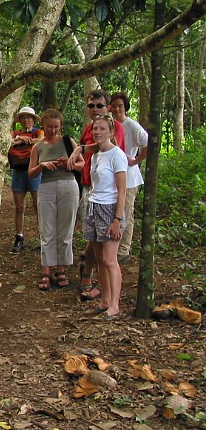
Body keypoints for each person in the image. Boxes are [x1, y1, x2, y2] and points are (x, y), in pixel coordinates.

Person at [67, 89, 126, 300]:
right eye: (91, 106)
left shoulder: (115, 131)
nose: (94, 109)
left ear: (108, 108)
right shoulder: (89, 131)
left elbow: (108, 149)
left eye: (99, 106)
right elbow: (94, 148)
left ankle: (110, 296)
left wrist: (117, 218)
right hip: (91, 193)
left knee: (108, 255)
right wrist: (80, 149)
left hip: (108, 200)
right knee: (96, 245)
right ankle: (101, 291)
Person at [27, 109, 83, 291]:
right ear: (43, 125)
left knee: (65, 229)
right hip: (46, 187)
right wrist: (42, 165)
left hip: (68, 185)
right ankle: (46, 269)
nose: (53, 130)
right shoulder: (38, 147)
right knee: (47, 229)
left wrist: (69, 163)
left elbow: (83, 164)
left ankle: (62, 268)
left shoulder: (68, 142)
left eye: (56, 127)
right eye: (50, 127)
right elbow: (30, 172)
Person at [83, 115, 127, 319]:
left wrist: (117, 220)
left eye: (102, 129)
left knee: (110, 259)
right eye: (95, 129)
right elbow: (87, 147)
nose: (97, 132)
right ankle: (105, 300)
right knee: (100, 258)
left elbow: (122, 191)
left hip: (110, 210)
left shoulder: (117, 155)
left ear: (111, 132)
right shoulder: (97, 153)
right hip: (94, 206)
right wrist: (78, 149)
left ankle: (115, 305)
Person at [109, 91, 148, 262]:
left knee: (126, 211)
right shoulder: (110, 124)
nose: (117, 109)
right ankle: (114, 246)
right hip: (113, 176)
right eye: (114, 106)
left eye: (120, 106)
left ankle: (124, 249)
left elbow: (148, 143)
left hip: (130, 177)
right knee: (115, 211)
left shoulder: (131, 125)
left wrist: (136, 160)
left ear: (125, 107)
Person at [8, 106, 44, 253]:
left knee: (38, 206)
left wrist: (26, 140)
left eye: (29, 117)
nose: (26, 120)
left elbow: (42, 141)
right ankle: (19, 236)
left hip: (34, 171)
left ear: (33, 120)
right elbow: (9, 142)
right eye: (23, 117)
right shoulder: (15, 133)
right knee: (19, 207)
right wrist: (19, 139)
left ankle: (43, 236)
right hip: (18, 171)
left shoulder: (38, 132)